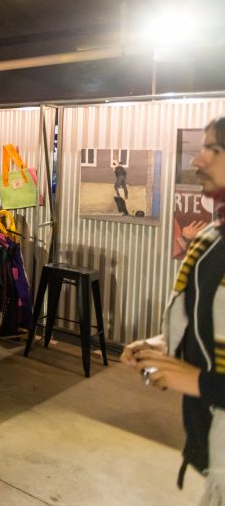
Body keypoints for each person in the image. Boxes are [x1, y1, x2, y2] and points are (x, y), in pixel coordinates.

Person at [123, 115, 225, 501]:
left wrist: (199, 381)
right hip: (210, 443)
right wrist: (165, 344)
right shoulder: (212, 239)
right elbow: (204, 318)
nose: (198, 160)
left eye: (213, 149)